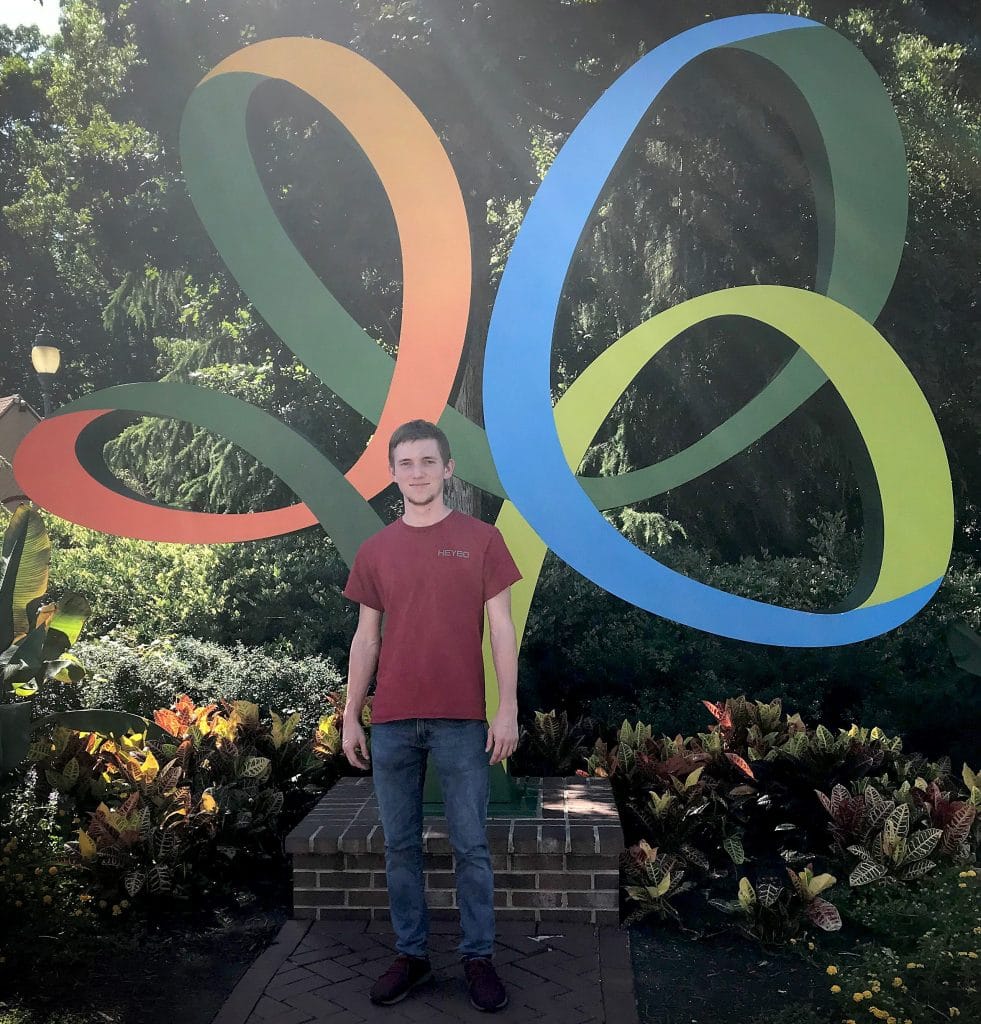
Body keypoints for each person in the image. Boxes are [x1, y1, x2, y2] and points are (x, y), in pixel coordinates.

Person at [341, 419, 521, 1013]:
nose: (416, 472)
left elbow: (501, 631)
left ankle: (478, 957)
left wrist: (507, 708)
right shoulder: (376, 550)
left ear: (448, 469)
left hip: (462, 720)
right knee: (401, 847)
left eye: (427, 461)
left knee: (470, 845)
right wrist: (350, 716)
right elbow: (366, 640)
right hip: (392, 721)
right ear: (392, 473)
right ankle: (412, 955)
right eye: (406, 463)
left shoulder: (482, 541)